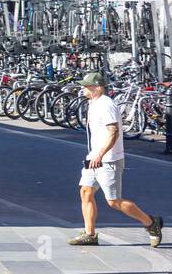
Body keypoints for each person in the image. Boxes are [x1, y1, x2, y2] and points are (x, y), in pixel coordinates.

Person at [69, 72, 163, 248]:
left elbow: (114, 132)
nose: (83, 89)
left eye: (86, 86)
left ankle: (151, 222)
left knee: (113, 201)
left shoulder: (106, 105)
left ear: (97, 87)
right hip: (94, 158)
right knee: (85, 192)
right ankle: (90, 234)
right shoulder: (93, 103)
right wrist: (94, 155)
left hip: (108, 159)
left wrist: (100, 154)